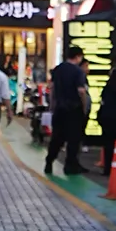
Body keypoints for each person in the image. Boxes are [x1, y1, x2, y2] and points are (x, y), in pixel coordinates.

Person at [44, 45, 87, 176]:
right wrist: (84, 107)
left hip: (59, 109)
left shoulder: (58, 69)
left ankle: (49, 161)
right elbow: (81, 91)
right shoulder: (78, 72)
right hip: (74, 109)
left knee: (57, 137)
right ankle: (70, 165)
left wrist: (52, 105)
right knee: (73, 139)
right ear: (78, 57)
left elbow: (51, 88)